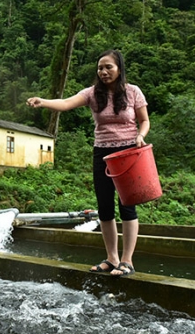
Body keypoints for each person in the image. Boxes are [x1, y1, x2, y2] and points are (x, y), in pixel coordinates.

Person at [26, 49, 150, 277]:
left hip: (128, 154)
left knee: (127, 206)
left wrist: (140, 136)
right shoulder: (93, 93)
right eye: (100, 68)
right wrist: (42, 101)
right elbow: (65, 103)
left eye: (108, 67)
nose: (103, 72)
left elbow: (144, 121)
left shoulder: (133, 92)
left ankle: (127, 260)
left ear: (119, 69)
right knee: (104, 207)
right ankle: (112, 258)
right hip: (102, 153)